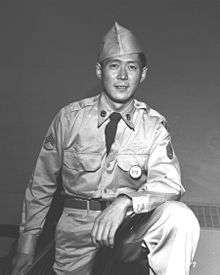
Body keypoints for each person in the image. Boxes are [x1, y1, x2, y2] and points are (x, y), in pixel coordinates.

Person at [12, 22, 200, 275]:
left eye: (131, 67)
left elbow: (169, 185)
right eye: (114, 66)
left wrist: (124, 202)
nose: (123, 76)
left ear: (143, 74)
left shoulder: (153, 125)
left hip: (130, 230)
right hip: (76, 234)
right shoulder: (69, 119)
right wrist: (26, 248)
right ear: (100, 71)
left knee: (179, 217)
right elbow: (40, 186)